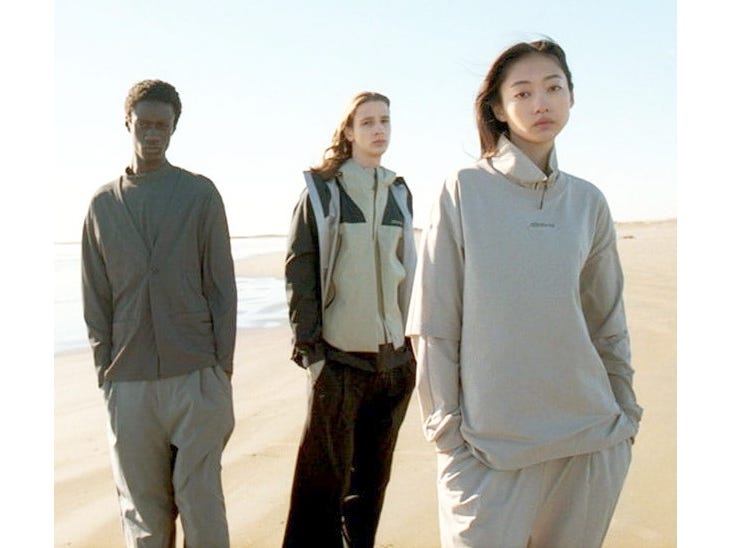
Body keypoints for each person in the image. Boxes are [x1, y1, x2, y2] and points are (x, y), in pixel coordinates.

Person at [406, 40, 643, 547]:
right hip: (488, 452)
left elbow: (607, 323)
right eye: (523, 92)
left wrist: (626, 415)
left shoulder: (588, 202)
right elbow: (433, 323)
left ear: (571, 97)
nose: (541, 103)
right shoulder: (462, 189)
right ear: (497, 108)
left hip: (589, 440)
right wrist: (447, 435)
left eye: (554, 88)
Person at [81, 79, 237, 548]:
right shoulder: (102, 206)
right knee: (143, 516)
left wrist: (220, 371)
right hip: (128, 384)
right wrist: (106, 374)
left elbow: (221, 289)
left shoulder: (200, 195)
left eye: (162, 126)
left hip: (197, 378)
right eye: (143, 124)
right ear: (127, 123)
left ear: (174, 128)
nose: (152, 134)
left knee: (202, 505)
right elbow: (95, 299)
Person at [282, 91, 417, 547]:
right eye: (368, 122)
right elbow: (300, 270)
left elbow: (409, 269)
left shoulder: (399, 191)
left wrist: (409, 348)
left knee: (371, 487)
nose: (379, 130)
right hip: (339, 361)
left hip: (392, 362)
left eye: (385, 121)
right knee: (321, 487)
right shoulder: (323, 192)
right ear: (349, 131)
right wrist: (312, 353)